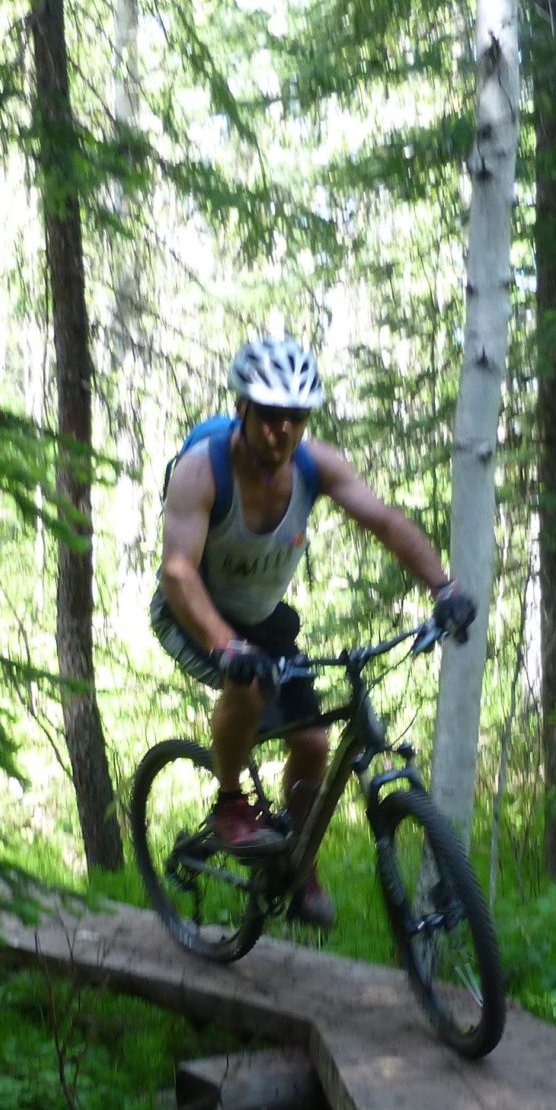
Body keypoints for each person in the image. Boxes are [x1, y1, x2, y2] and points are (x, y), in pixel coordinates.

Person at [151, 334, 475, 931]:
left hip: (264, 619)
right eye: (270, 417)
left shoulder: (313, 464)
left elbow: (382, 519)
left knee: (314, 744)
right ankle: (229, 803)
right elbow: (177, 572)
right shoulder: (202, 471)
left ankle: (297, 869)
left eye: (296, 419)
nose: (282, 432)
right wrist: (227, 648)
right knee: (245, 688)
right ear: (242, 410)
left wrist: (443, 588)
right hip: (191, 612)